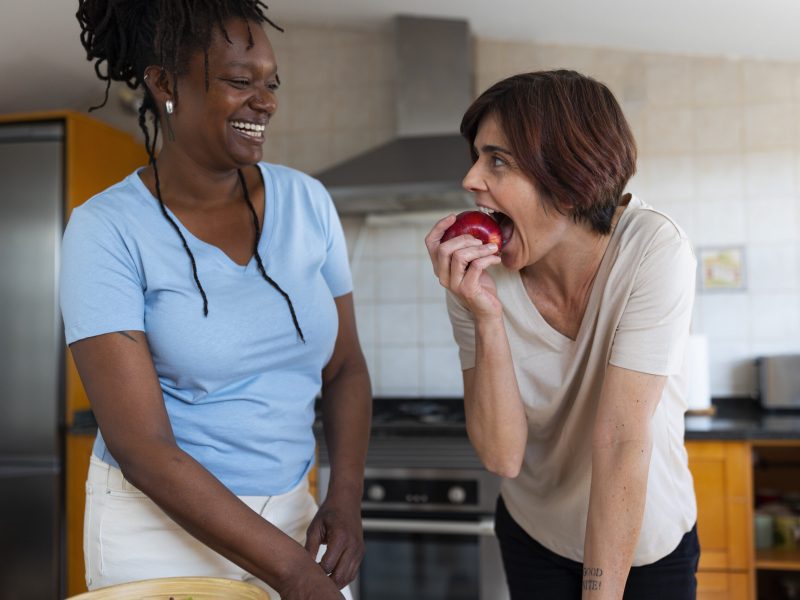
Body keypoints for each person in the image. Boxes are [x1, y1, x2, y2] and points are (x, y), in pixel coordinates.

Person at [61, 2, 371, 598]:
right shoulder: (106, 229)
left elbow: (346, 367)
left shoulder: (308, 204)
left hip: (296, 520)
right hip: (156, 530)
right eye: (238, 80)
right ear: (163, 82)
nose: (267, 101)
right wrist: (293, 574)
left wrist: (345, 496)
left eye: (271, 83)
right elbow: (142, 447)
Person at [425, 70, 700, 600]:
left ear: (571, 180)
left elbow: (621, 441)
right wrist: (486, 317)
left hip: (645, 542)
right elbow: (502, 457)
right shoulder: (475, 275)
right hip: (535, 535)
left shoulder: (652, 250)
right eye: (477, 156)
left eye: (497, 160)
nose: (471, 179)